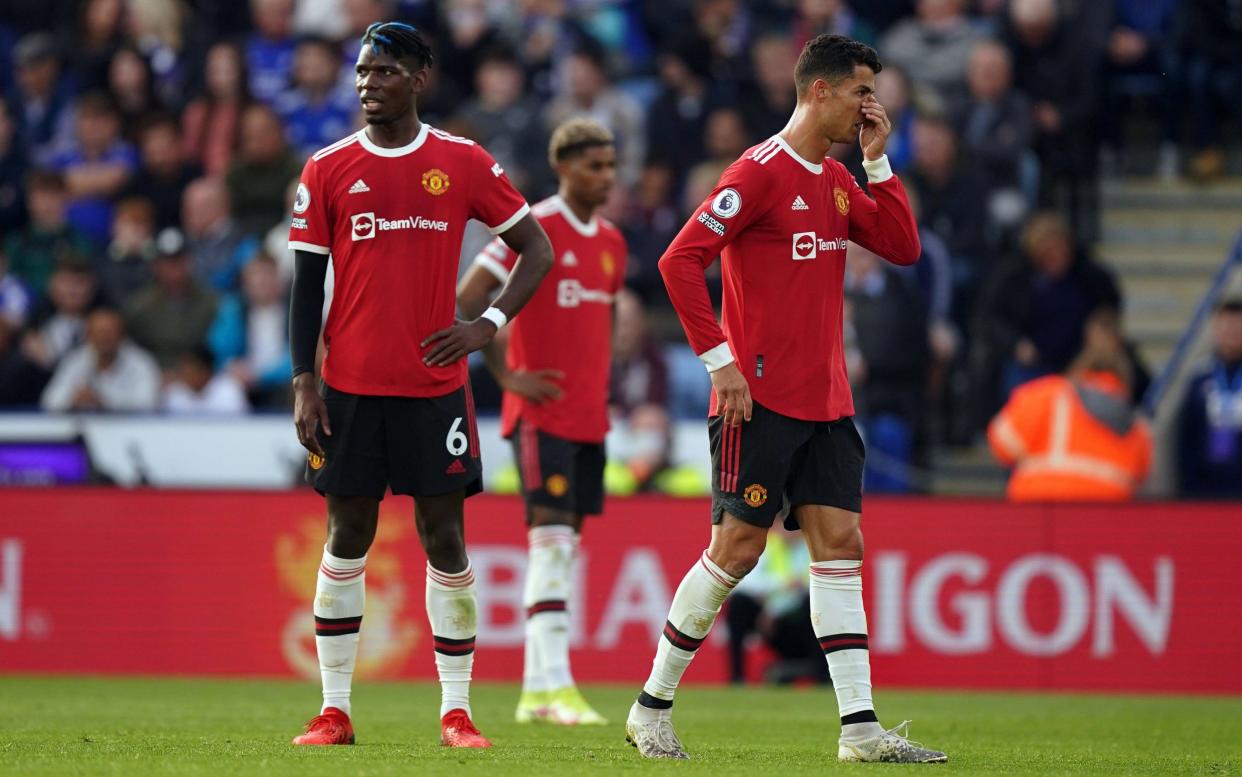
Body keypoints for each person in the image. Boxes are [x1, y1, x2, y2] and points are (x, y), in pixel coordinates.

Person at [625, 34, 945, 764]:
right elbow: (679, 261)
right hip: (758, 402)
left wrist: (875, 159)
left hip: (828, 403)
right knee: (735, 550)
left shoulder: (835, 179)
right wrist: (720, 363)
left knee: (842, 547)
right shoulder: (759, 172)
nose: (872, 104)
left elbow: (901, 244)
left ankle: (860, 731)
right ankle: (650, 707)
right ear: (821, 90)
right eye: (862, 90)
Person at [286, 22, 553, 749]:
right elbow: (306, 285)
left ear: (419, 78)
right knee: (347, 533)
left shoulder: (461, 162)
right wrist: (304, 379)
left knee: (446, 539)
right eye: (364, 72)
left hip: (435, 389)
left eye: (385, 71)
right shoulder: (329, 167)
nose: (369, 83)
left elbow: (537, 247)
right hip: (348, 387)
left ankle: (456, 713)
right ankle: (334, 709)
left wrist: (487, 322)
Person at [457, 119, 624, 726]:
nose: (606, 177)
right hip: (542, 414)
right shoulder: (534, 228)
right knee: (551, 548)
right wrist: (504, 375)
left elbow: (601, 328)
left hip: (588, 418)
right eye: (594, 166)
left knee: (565, 550)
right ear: (565, 167)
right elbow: (470, 297)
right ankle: (555, 688)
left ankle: (535, 692)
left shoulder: (612, 240)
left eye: (610, 166)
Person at [988, 337, 1152, 501]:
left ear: (1079, 368)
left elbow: (1002, 443)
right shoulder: (1136, 424)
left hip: (1041, 507)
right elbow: (1143, 475)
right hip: (1107, 513)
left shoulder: (1049, 395)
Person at [1177, 298, 1242, 498]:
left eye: (1237, 327)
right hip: (1203, 488)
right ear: (1215, 329)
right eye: (1226, 326)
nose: (1231, 333)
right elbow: (1186, 435)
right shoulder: (1200, 375)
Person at [40, 306, 160, 412]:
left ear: (122, 336)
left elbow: (148, 404)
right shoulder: (75, 360)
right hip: (85, 428)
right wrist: (73, 400)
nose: (104, 338)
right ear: (88, 336)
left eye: (109, 333)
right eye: (98, 333)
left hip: (130, 432)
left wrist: (105, 402)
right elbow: (49, 401)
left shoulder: (141, 362)